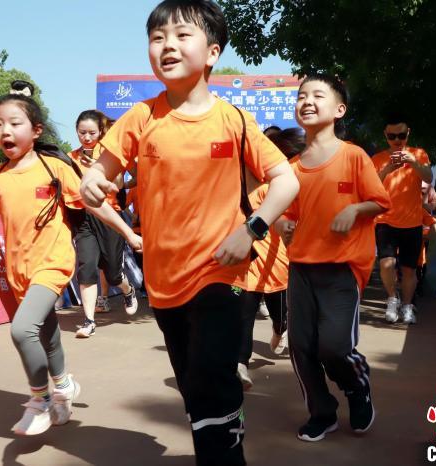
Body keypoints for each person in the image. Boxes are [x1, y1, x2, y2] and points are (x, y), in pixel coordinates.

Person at [79, 1, 299, 464]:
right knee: (194, 385)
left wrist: (252, 228)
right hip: (164, 279)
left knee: (211, 376)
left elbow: (286, 180)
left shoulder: (234, 120)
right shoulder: (140, 118)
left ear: (213, 51)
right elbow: (99, 175)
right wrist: (93, 182)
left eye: (181, 35)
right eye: (157, 38)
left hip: (223, 272)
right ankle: (225, 432)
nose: (167, 46)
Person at [0, 94, 141, 436]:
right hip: (19, 270)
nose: (4, 130)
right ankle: (64, 387)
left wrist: (127, 231)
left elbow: (95, 205)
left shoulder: (56, 169)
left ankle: (40, 400)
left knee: (22, 330)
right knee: (46, 334)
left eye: (14, 123)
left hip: (53, 263)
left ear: (35, 130)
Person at [278, 74, 390, 442]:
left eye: (317, 96)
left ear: (339, 110)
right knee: (301, 347)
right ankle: (321, 412)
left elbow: (380, 201)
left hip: (342, 269)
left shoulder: (354, 156)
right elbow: (286, 213)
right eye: (301, 96)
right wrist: (282, 223)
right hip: (301, 269)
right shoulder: (292, 168)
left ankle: (358, 388)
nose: (306, 101)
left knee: (335, 346)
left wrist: (356, 208)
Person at [237, 127, 305, 390]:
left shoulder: (279, 185)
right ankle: (240, 363)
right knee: (243, 314)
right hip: (247, 263)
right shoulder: (239, 182)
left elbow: (276, 217)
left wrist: (284, 227)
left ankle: (280, 328)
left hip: (276, 266)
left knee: (280, 313)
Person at [67, 110, 138, 339]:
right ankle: (89, 321)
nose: (86, 137)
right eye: (82, 133)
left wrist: (106, 173)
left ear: (100, 132)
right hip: (84, 217)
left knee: (113, 274)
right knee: (87, 268)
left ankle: (128, 291)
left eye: (91, 133)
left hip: (110, 216)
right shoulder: (70, 157)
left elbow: (132, 178)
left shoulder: (111, 155)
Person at [372, 112, 433, 324]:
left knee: (409, 268)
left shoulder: (419, 153)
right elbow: (371, 186)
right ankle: (391, 299)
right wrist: (389, 168)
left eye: (401, 135)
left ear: (408, 133)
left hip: (413, 221)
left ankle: (407, 307)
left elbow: (428, 177)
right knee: (386, 264)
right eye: (392, 136)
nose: (397, 140)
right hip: (385, 220)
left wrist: (414, 162)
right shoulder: (378, 159)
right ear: (385, 135)